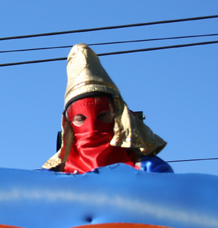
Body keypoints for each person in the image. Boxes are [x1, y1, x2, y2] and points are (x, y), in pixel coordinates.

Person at [42, 43, 173, 174]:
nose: (92, 127)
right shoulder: (50, 178)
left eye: (102, 116)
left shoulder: (151, 169)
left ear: (119, 118)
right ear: (68, 124)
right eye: (80, 118)